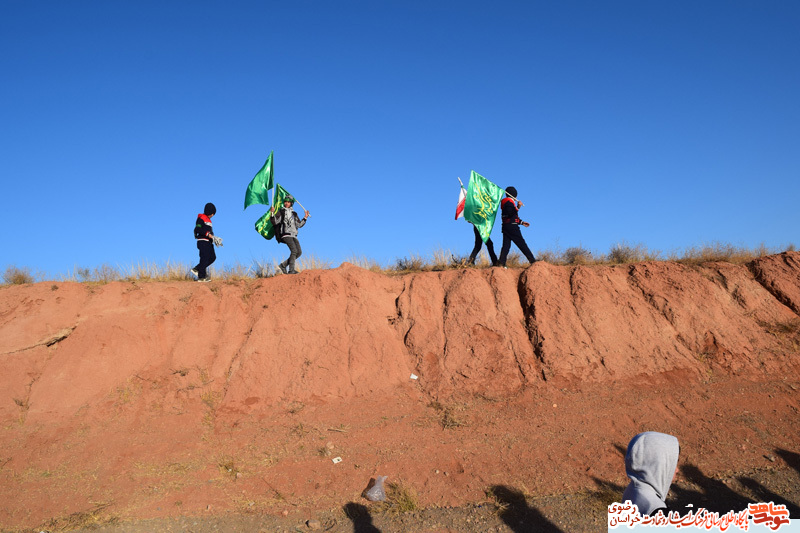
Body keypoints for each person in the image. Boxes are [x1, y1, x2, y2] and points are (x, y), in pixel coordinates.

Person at [621, 431, 680, 517]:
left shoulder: (632, 489)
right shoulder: (658, 513)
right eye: (673, 463)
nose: (677, 470)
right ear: (659, 464)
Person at [270, 196, 309, 274]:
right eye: (285, 202)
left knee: (299, 252)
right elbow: (275, 221)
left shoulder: (294, 213)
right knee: (294, 251)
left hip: (294, 235)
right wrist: (272, 213)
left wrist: (305, 217)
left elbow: (299, 225)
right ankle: (291, 270)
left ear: (291, 203)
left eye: (288, 202)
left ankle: (283, 265)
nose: (286, 203)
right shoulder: (281, 211)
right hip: (285, 234)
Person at [498, 186, 536, 267]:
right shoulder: (509, 203)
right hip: (512, 227)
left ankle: (501, 263)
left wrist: (521, 222)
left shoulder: (505, 202)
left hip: (506, 227)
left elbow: (510, 217)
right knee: (522, 244)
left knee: (506, 246)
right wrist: (518, 207)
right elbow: (510, 214)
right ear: (514, 195)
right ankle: (532, 261)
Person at [191, 202, 222, 282]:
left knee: (212, 257)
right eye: (213, 214)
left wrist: (214, 239)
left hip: (209, 242)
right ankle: (201, 277)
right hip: (202, 241)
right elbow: (198, 229)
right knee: (204, 258)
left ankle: (197, 269)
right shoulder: (201, 218)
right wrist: (208, 234)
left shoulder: (209, 220)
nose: (213, 215)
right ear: (211, 213)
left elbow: (209, 232)